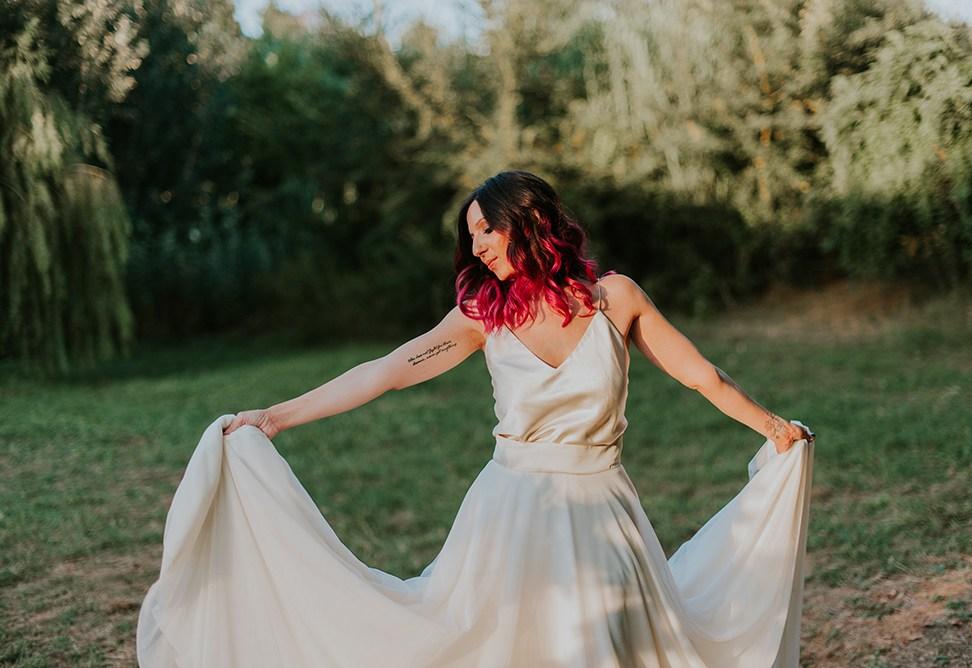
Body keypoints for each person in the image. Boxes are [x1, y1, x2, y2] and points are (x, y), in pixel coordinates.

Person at [137, 170, 816, 667]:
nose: (479, 245)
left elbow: (702, 374)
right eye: (472, 235)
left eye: (487, 228)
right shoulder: (482, 316)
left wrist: (770, 427)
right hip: (512, 510)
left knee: (607, 645)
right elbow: (387, 369)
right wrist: (277, 417)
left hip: (604, 512)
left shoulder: (617, 299)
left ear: (530, 220)